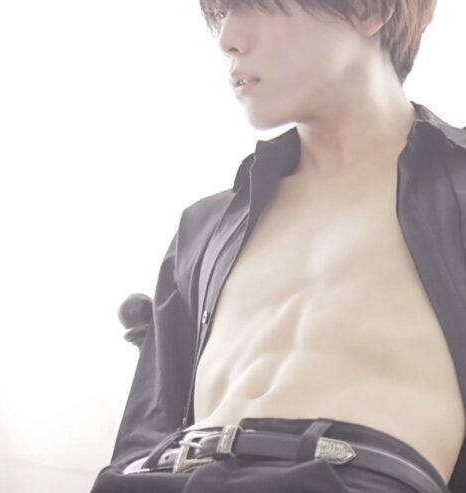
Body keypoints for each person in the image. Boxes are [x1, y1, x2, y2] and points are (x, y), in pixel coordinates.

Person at [90, 1, 466, 492]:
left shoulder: (457, 188)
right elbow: (144, 433)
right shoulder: (204, 228)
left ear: (367, 10)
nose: (228, 39)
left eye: (253, 5)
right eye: (221, 13)